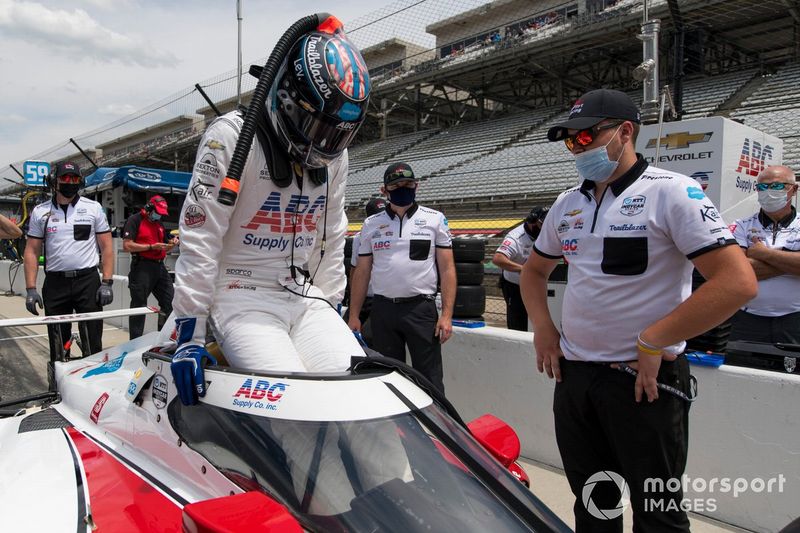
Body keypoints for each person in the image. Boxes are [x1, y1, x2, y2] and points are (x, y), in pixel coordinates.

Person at [520, 89, 757, 532]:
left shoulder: (673, 193)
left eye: (585, 137)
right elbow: (533, 273)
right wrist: (543, 330)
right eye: (570, 141)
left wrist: (654, 338)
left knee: (658, 515)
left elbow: (736, 282)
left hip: (643, 382)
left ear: (625, 132)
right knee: (594, 505)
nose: (578, 148)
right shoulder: (568, 202)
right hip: (575, 379)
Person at [170, 18, 370, 406]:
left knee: (356, 390)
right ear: (288, 98)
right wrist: (190, 333)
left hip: (303, 293)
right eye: (316, 126)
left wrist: (336, 310)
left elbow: (331, 235)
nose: (324, 143)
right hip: (238, 295)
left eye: (337, 134)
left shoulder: (336, 158)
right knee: (297, 403)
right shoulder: (230, 137)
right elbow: (200, 236)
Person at [348, 162, 456, 393]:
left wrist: (446, 315)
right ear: (384, 190)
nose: (403, 188)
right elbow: (362, 272)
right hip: (383, 310)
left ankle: (434, 429)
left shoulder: (435, 219)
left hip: (421, 310)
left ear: (416, 186)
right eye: (396, 185)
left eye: (408, 183)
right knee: (389, 378)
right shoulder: (371, 224)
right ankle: (397, 429)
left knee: (430, 378)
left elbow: (447, 269)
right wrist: (354, 314)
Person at [23, 161, 115, 358]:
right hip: (56, 284)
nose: (70, 182)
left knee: (92, 344)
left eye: (74, 178)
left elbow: (107, 247)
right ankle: (57, 384)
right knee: (58, 346)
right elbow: (31, 250)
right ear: (55, 182)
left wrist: (107, 282)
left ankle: (91, 383)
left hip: (88, 282)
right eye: (65, 178)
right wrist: (30, 289)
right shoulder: (41, 212)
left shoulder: (93, 208)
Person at [729, 165, 800, 343]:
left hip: (796, 318)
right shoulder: (741, 225)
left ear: (794, 189)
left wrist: (763, 253)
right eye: (762, 187)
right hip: (748, 319)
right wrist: (790, 263)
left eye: (776, 186)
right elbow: (737, 272)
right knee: (741, 370)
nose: (768, 191)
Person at [122, 195, 177, 339]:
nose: (159, 215)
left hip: (159, 267)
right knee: (139, 306)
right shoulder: (135, 220)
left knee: (170, 303)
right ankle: (134, 342)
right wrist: (151, 246)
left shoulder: (159, 223)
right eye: (157, 212)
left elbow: (165, 247)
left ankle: (163, 339)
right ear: (149, 208)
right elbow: (127, 245)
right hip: (142, 267)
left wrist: (172, 244)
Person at [493, 205, 548, 331]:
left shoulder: (546, 233)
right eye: (542, 225)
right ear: (532, 222)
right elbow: (498, 258)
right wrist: (524, 269)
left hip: (536, 283)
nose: (545, 228)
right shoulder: (516, 238)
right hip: (515, 285)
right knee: (518, 323)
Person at [344, 197, 387, 347]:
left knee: (370, 336)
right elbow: (354, 269)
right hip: (363, 297)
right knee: (343, 330)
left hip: (381, 298)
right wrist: (352, 296)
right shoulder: (358, 238)